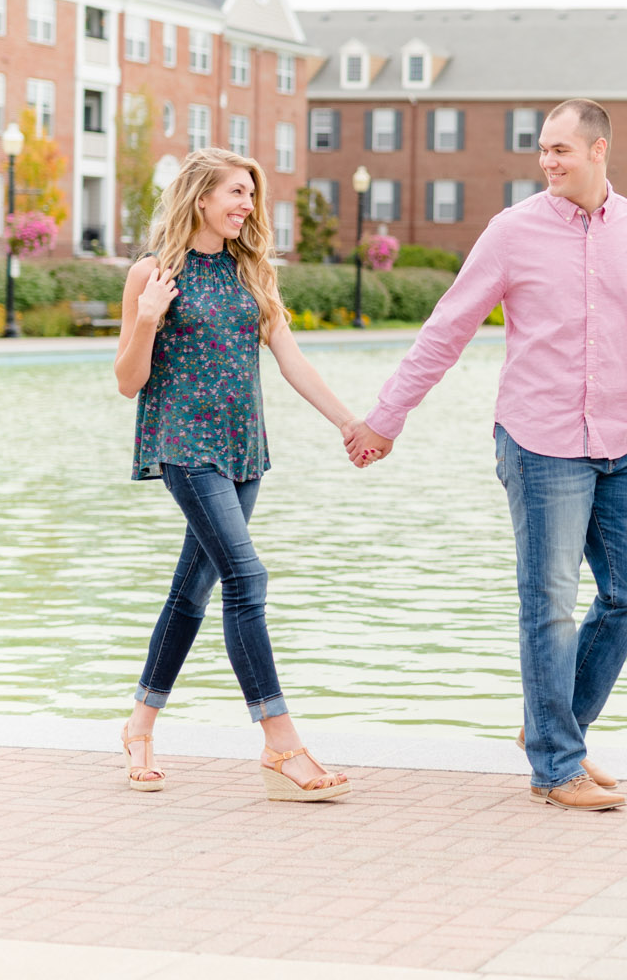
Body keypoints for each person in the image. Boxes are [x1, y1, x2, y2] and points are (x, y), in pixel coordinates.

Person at [345, 99, 627, 812]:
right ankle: (555, 765)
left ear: (600, 150)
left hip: (619, 443)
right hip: (539, 444)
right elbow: (446, 328)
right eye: (543, 149)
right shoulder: (512, 233)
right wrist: (386, 418)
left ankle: (551, 725)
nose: (548, 161)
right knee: (550, 606)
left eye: (562, 149)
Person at [114, 147, 368, 802]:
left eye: (251, 196)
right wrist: (146, 319)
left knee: (190, 590)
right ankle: (281, 743)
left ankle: (139, 725)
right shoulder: (153, 271)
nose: (247, 206)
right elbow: (127, 380)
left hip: (242, 448)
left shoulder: (251, 273)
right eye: (236, 192)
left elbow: (293, 361)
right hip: (184, 443)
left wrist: (349, 422)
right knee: (246, 576)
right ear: (200, 196)